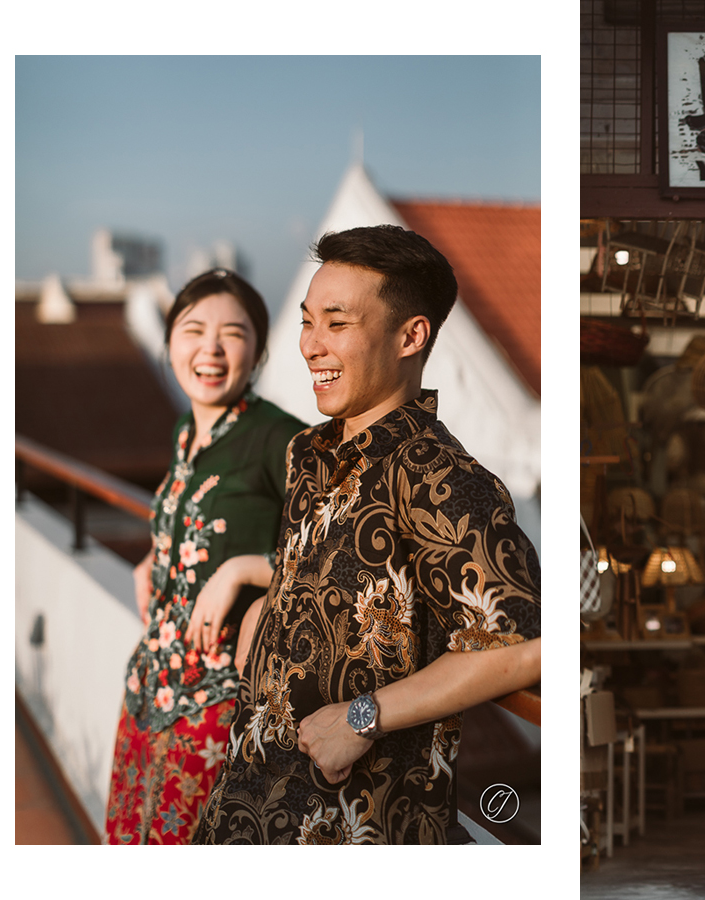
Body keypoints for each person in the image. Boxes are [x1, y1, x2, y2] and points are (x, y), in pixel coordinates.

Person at [193, 224, 542, 845]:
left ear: (411, 336)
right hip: (246, 804)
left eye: (338, 323)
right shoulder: (311, 453)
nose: (311, 345)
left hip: (348, 824)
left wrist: (364, 715)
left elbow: (520, 644)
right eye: (307, 321)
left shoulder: (435, 474)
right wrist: (268, 606)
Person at [105, 269, 306, 844]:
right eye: (193, 330)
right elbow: (192, 513)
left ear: (259, 351)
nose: (211, 348)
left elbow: (329, 548)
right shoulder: (182, 432)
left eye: (233, 334)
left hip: (215, 705)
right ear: (169, 344)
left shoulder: (280, 438)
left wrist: (242, 572)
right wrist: (156, 556)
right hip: (148, 684)